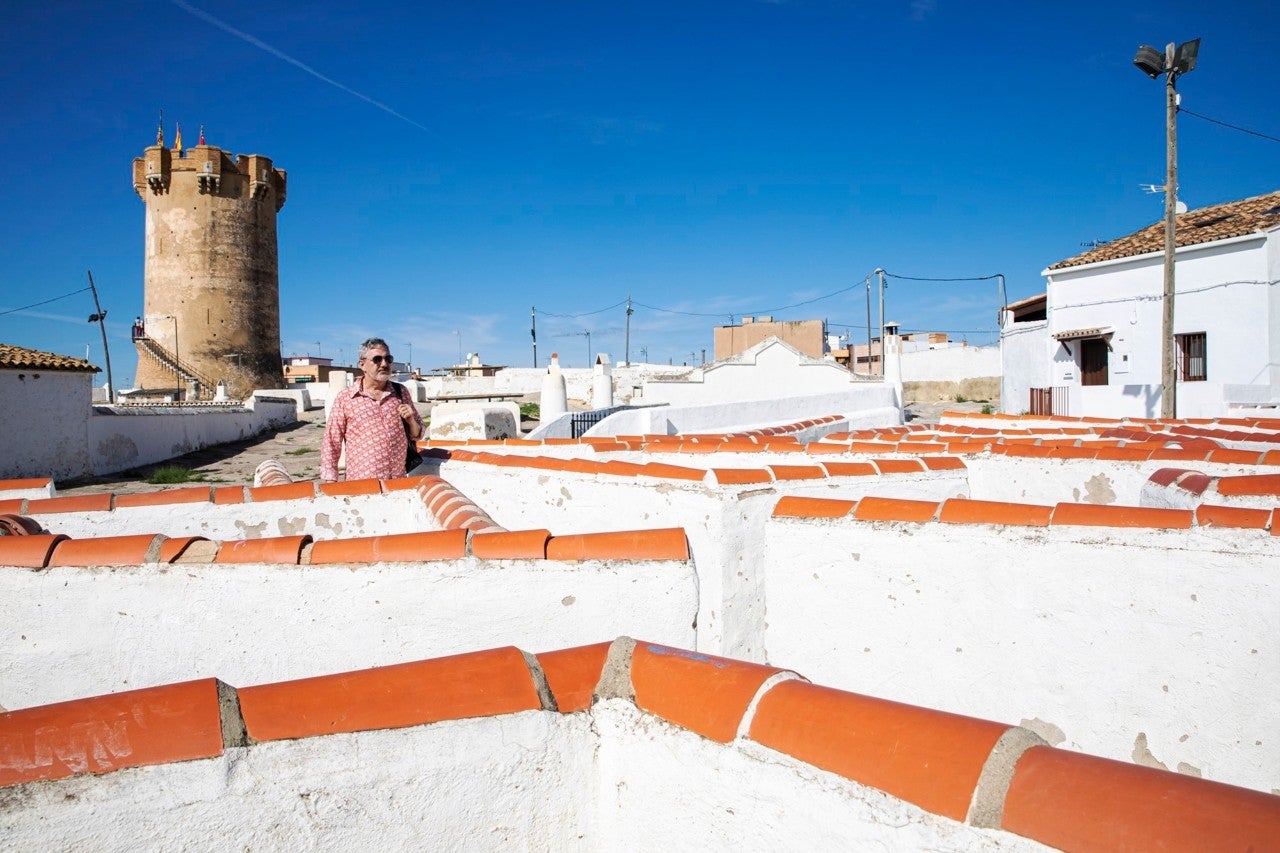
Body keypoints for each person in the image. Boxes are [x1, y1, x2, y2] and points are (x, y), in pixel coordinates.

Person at [321, 337, 425, 482]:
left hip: (397, 483)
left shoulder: (401, 392)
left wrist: (411, 420)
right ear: (362, 364)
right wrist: (330, 480)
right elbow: (332, 440)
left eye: (388, 359)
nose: (384, 364)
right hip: (362, 485)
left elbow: (417, 435)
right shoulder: (346, 398)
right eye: (377, 359)